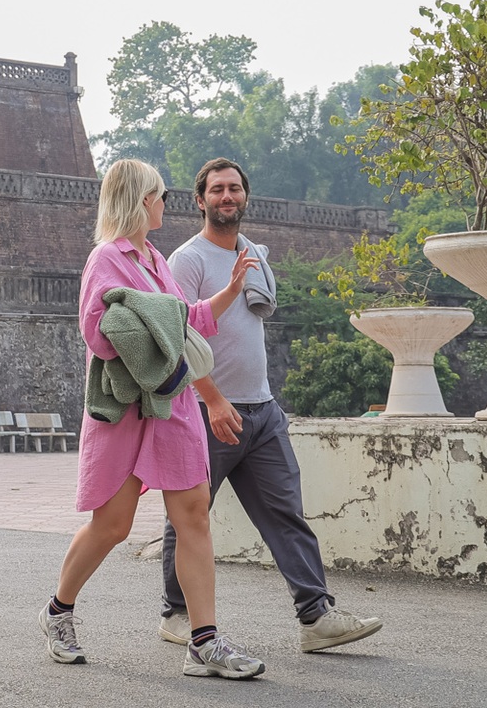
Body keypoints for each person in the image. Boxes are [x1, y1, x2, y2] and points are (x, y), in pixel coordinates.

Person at [40, 159, 266, 679]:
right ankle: (58, 611)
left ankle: (203, 641)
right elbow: (97, 332)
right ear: (143, 200)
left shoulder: (155, 259)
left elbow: (186, 322)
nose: (167, 203)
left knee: (193, 516)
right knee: (113, 525)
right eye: (161, 195)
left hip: (172, 403)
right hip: (127, 408)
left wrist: (230, 290)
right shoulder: (107, 259)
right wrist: (147, 317)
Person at [158, 158, 383, 653]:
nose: (227, 196)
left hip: (261, 410)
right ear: (200, 201)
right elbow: (176, 337)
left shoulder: (253, 255)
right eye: (216, 189)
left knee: (286, 514)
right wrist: (212, 398)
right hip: (207, 410)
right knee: (189, 515)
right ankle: (177, 613)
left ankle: (316, 617)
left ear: (245, 197)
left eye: (235, 188)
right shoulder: (187, 260)